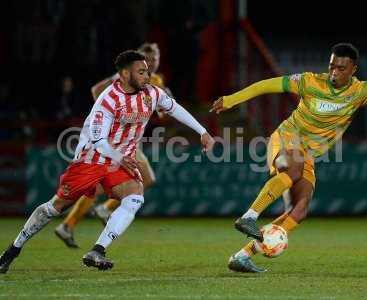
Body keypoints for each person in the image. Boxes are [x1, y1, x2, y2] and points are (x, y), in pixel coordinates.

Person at [0, 50, 215, 273]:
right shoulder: (108, 100)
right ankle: (12, 251)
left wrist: (203, 132)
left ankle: (97, 250)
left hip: (120, 161)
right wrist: (121, 157)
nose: (147, 76)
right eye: (141, 72)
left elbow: (175, 108)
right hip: (92, 159)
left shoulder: (151, 93)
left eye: (147, 71)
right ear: (123, 74)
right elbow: (98, 140)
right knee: (55, 208)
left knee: (134, 197)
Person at [210, 43, 367, 273]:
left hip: (306, 155)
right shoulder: (309, 81)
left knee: (299, 210)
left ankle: (242, 255)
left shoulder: (361, 91)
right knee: (294, 168)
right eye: (332, 67)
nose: (334, 73)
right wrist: (231, 99)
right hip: (285, 140)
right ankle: (249, 216)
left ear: (353, 70)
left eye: (341, 68)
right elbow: (266, 85)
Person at [54, 42, 170, 248]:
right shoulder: (127, 77)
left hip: (131, 141)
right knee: (129, 180)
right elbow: (96, 90)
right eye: (149, 58)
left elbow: (162, 113)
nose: (153, 62)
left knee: (126, 181)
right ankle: (95, 213)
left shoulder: (156, 81)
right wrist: (109, 116)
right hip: (115, 141)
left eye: (156, 58)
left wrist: (164, 103)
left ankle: (71, 223)